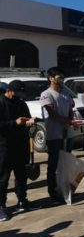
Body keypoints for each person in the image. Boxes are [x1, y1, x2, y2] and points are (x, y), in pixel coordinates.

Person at [0, 81, 39, 221]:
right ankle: (1, 206)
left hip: (21, 144)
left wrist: (30, 121)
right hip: (4, 146)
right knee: (3, 178)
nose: (19, 96)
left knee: (21, 175)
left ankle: (22, 201)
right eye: (17, 93)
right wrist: (14, 122)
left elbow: (26, 118)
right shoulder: (1, 103)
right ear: (8, 90)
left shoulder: (21, 104)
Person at [39, 67, 74, 204]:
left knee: (66, 163)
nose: (61, 80)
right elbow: (52, 114)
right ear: (51, 78)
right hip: (54, 135)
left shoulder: (65, 93)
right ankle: (53, 192)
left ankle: (65, 189)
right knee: (53, 164)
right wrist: (65, 122)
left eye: (62, 77)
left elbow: (70, 109)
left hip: (67, 134)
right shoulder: (46, 94)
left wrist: (69, 121)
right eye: (59, 77)